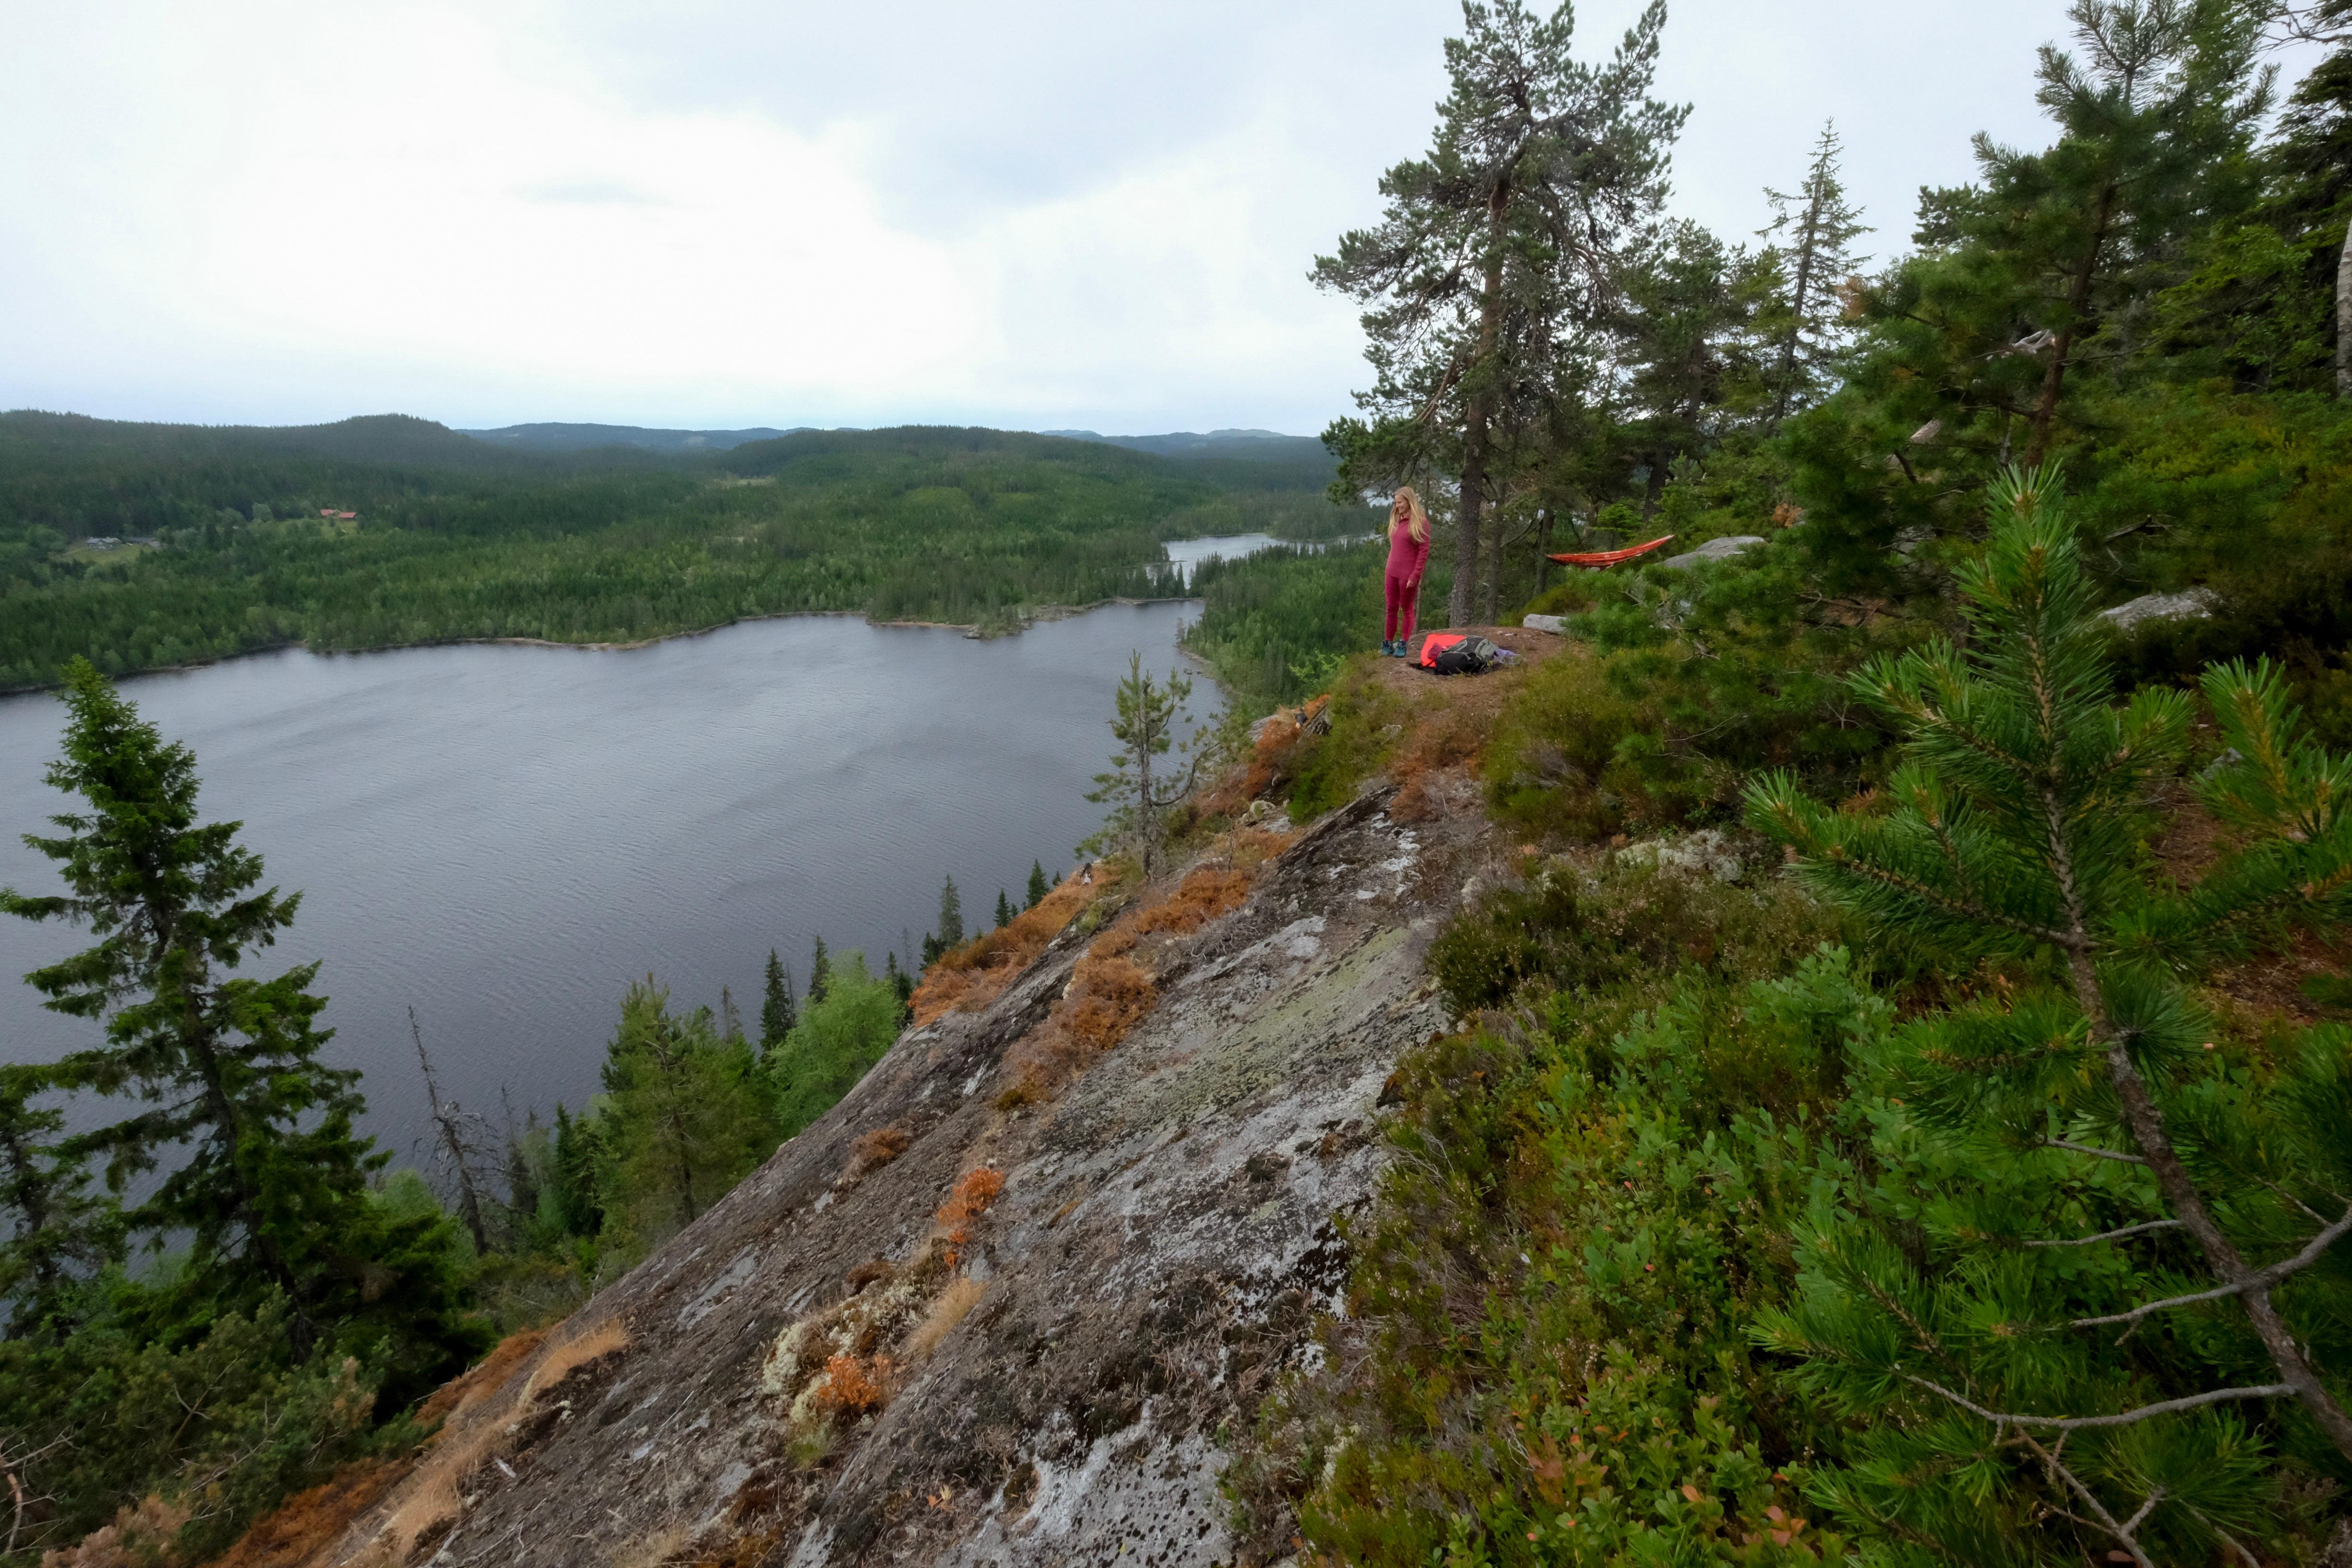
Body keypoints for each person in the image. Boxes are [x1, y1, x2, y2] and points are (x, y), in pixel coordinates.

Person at [1381, 487, 1430, 658]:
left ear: (1409, 502)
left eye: (1400, 502)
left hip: (1407, 575)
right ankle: (1388, 642)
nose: (1397, 505)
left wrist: (1415, 575)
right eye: (1395, 502)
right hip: (1391, 572)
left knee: (1407, 608)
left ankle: (1403, 643)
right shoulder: (1396, 519)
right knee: (1391, 608)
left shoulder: (1420, 523)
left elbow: (1423, 552)